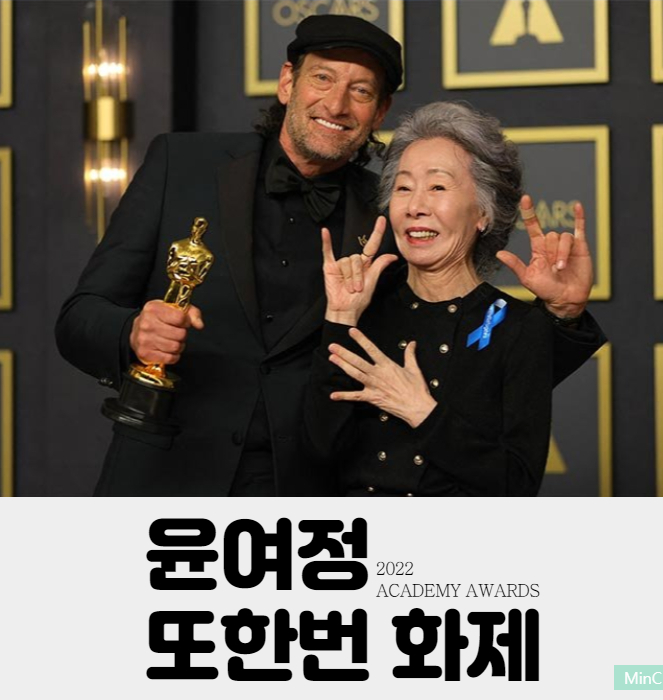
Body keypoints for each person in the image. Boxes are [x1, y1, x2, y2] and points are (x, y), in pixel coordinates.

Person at [56, 16, 603, 496]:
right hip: (164, 474)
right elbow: (79, 316)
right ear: (287, 81)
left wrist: (563, 316)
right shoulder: (181, 163)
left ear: (380, 111)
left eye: (360, 91)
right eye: (322, 78)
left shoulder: (393, 215)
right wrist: (131, 333)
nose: (337, 104)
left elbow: (471, 364)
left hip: (306, 493)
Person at [305, 101, 606, 496]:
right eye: (403, 188)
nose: (416, 207)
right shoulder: (361, 307)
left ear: (483, 212)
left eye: (438, 187)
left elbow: (516, 485)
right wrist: (340, 318)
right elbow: (316, 454)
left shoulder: (517, 326)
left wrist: (421, 411)